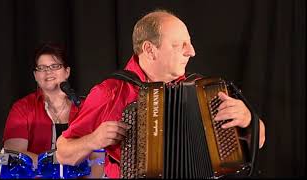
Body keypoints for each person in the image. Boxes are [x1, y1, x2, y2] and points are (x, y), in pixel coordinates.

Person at [56, 9, 266, 178]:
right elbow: (63, 153)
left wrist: (249, 120)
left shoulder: (203, 90)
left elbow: (259, 140)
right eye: (178, 45)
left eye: (189, 43)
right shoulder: (110, 92)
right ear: (149, 49)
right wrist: (93, 139)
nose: (191, 51)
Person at [1, 42, 103, 175]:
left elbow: (97, 154)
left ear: (67, 72)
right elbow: (15, 152)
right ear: (35, 76)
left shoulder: (84, 106)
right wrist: (59, 165)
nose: (48, 71)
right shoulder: (22, 108)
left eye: (55, 66)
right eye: (42, 68)